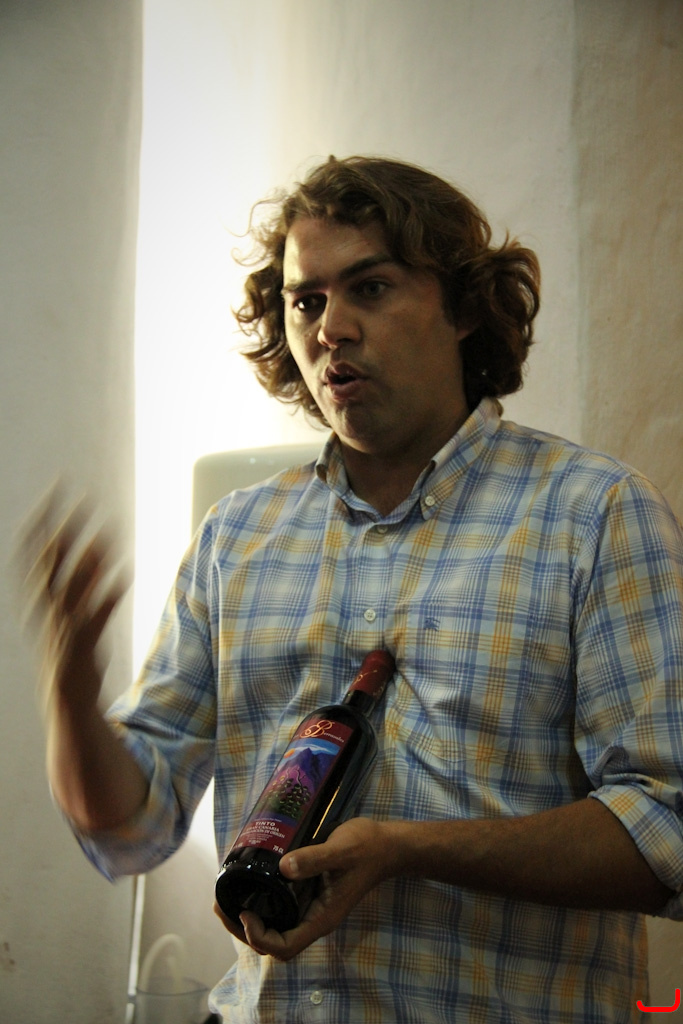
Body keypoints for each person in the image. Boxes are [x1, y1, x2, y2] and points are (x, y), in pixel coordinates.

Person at [23, 156, 683, 1023]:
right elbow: (131, 824)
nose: (330, 327)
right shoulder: (236, 536)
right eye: (305, 301)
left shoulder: (593, 514)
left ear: (462, 309)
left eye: (369, 288)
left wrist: (411, 850)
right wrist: (69, 689)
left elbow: (664, 829)